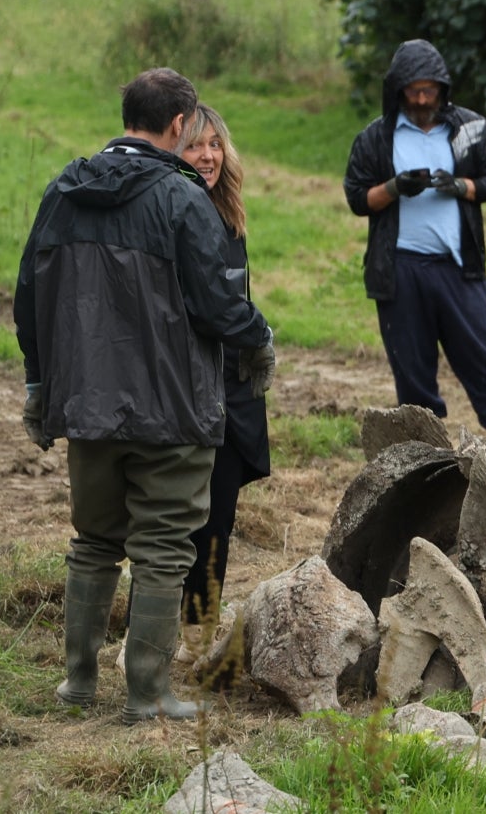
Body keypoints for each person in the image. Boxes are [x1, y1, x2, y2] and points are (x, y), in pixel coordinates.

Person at [13, 68, 276, 724]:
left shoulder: (63, 190)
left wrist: (40, 385)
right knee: (162, 548)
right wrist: (259, 338)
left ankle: (77, 685)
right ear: (179, 123)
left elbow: (28, 297)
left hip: (87, 405)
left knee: (93, 541)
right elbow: (218, 306)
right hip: (172, 410)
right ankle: (148, 694)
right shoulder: (183, 198)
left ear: (127, 115)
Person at [342, 38, 486, 448]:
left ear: (443, 88)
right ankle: (429, 463)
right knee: (413, 377)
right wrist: (394, 187)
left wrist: (461, 186)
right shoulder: (376, 137)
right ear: (397, 90)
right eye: (414, 91)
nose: (422, 99)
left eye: (429, 90)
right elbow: (357, 198)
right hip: (400, 272)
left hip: (459, 268)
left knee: (483, 362)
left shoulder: (469, 129)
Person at [174, 104, 271, 661]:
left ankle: (198, 634)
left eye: (215, 144)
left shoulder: (230, 216)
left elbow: (235, 303)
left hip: (231, 389)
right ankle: (152, 634)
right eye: (194, 144)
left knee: (219, 518)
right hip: (182, 389)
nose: (207, 156)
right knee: (174, 520)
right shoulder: (168, 213)